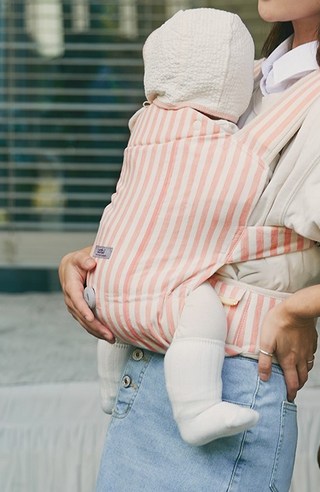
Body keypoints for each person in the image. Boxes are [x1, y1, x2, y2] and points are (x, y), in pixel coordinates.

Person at [59, 0, 320, 490]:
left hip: (227, 396)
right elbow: (185, 217)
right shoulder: (241, 81)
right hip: (146, 388)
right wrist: (107, 257)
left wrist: (299, 307)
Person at [85, 8, 263, 447]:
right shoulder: (222, 140)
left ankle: (110, 388)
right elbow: (242, 185)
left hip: (103, 275)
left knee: (115, 321)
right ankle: (197, 408)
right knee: (202, 311)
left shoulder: (143, 122)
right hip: (162, 295)